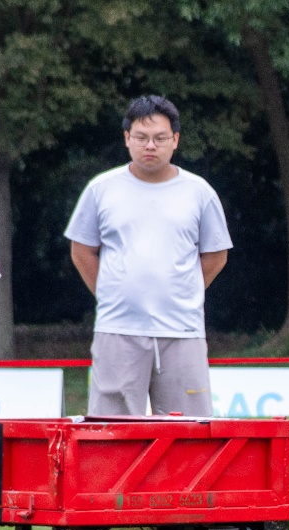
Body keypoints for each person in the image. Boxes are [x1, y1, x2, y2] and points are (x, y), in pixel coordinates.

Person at [65, 95, 231, 416]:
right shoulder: (101, 189)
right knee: (110, 430)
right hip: (118, 329)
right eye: (141, 137)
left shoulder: (199, 192)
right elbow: (82, 251)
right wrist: (110, 294)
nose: (150, 146)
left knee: (188, 432)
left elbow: (215, 256)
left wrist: (183, 292)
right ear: (127, 138)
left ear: (175, 140)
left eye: (160, 138)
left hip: (182, 330)